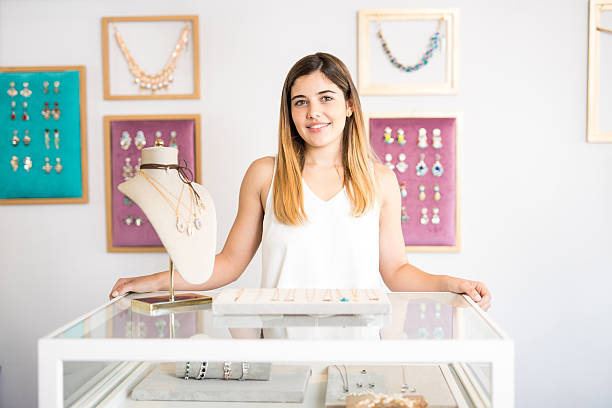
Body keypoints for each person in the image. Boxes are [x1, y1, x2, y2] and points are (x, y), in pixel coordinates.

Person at [109, 52, 491, 311]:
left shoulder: (381, 180)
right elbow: (228, 263)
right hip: (281, 346)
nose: (313, 113)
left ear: (349, 105)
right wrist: (156, 283)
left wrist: (450, 283)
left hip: (359, 347)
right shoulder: (264, 174)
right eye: (301, 101)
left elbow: (396, 270)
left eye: (326, 98)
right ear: (289, 111)